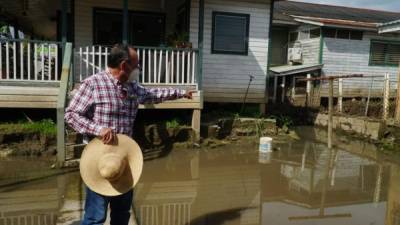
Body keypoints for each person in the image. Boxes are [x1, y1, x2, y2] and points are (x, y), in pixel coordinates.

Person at [65, 44, 193, 225]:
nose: (138, 69)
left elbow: (152, 94)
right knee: (95, 217)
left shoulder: (131, 87)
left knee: (122, 214)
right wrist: (98, 129)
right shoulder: (93, 84)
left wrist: (180, 93)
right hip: (100, 163)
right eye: (136, 65)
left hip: (124, 161)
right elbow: (71, 115)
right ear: (124, 65)